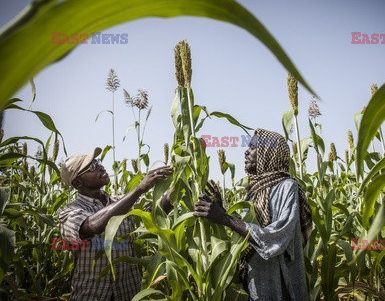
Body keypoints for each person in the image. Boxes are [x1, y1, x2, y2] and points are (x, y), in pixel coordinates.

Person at [194, 128, 313, 301]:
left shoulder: (288, 186)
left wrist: (225, 219)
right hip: (254, 282)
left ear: (268, 153)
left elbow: (276, 236)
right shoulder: (253, 191)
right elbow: (246, 234)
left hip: (280, 283)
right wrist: (222, 212)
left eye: (253, 147)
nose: (246, 152)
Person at [58, 147, 173, 301]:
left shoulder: (121, 201)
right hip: (92, 295)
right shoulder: (69, 212)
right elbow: (93, 226)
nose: (100, 166)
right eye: (91, 167)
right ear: (78, 182)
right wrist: (139, 188)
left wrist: (175, 189)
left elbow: (154, 212)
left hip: (128, 293)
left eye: (97, 162)